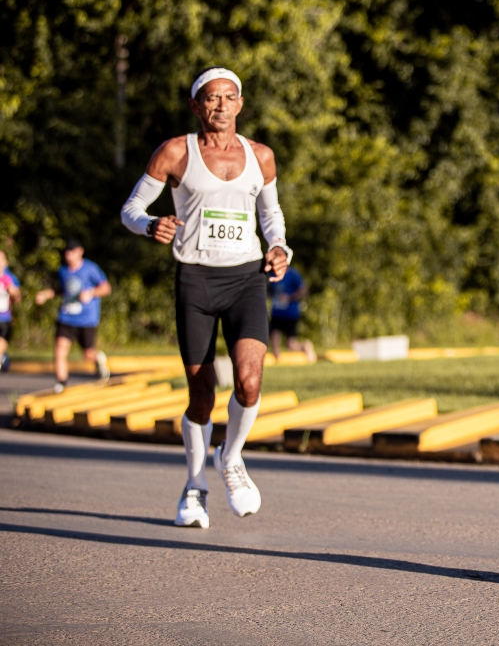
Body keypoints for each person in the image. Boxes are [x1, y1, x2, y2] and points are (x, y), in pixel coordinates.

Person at [121, 67, 292, 529]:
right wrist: (149, 224)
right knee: (201, 394)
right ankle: (195, 485)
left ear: (240, 104)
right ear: (196, 106)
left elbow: (271, 214)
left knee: (249, 381)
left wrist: (280, 247)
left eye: (229, 97)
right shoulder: (176, 152)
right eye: (211, 98)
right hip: (195, 280)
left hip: (246, 278)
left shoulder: (261, 156)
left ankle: (230, 458)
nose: (221, 105)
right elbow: (131, 208)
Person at [34, 240, 111, 391]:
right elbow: (62, 290)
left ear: (80, 252)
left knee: (88, 354)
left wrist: (91, 293)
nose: (68, 255)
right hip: (67, 317)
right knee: (60, 349)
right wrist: (46, 295)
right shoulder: (63, 271)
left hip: (87, 319)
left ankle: (97, 360)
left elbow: (106, 288)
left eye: (72, 252)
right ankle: (61, 383)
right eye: (67, 252)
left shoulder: (90, 268)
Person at [269, 265, 315, 362]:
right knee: (274, 345)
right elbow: (271, 291)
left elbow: (304, 291)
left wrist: (289, 297)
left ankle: (305, 346)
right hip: (276, 313)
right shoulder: (272, 274)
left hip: (290, 314)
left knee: (291, 345)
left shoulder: (293, 274)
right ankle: (278, 365)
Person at [0, 250, 21, 373]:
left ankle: (3, 359)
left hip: (3, 319)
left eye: (1, 259)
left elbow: (17, 297)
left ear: (5, 262)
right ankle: (4, 359)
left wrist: (13, 293)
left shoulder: (9, 278)